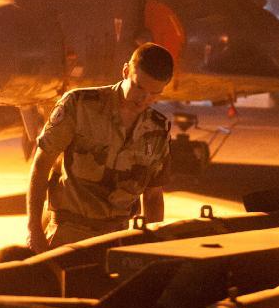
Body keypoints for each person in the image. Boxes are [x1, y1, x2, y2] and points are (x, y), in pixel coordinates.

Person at [25, 42, 173, 254]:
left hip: (118, 240)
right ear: (125, 71)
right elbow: (40, 166)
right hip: (67, 237)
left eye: (154, 93)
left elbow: (153, 196)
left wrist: (153, 245)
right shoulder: (79, 105)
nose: (144, 99)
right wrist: (33, 229)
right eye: (139, 87)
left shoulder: (159, 129)